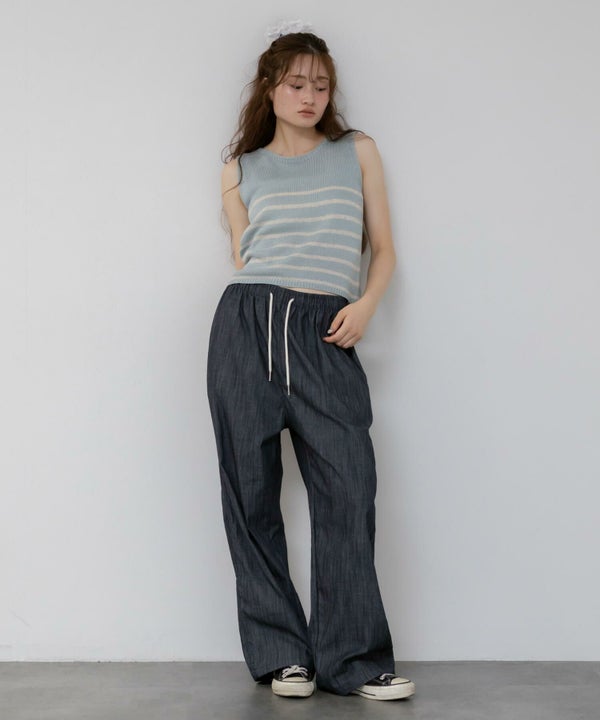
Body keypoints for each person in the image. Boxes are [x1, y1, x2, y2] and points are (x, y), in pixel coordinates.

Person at [206, 26, 415, 702]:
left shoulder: (357, 151)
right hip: (246, 326)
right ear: (270, 88)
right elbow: (246, 256)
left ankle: (354, 661)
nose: (310, 96)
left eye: (321, 85)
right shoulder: (239, 170)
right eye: (297, 83)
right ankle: (281, 657)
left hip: (327, 331)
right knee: (250, 495)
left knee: (349, 489)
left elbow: (383, 249)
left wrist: (367, 305)